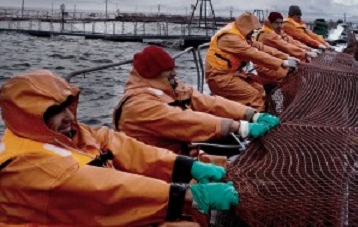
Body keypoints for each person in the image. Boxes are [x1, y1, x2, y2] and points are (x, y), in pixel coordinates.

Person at [0, 70, 238, 226]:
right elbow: (106, 190)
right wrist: (185, 194)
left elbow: (125, 148)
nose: (68, 117)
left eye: (67, 106)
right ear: (28, 118)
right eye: (53, 112)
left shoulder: (69, 134)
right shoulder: (25, 167)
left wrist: (189, 167)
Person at [114, 45, 280, 156]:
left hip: (184, 153)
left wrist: (251, 115)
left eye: (173, 70)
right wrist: (238, 127)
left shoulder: (172, 86)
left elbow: (208, 102)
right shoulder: (137, 106)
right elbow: (183, 121)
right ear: (152, 74)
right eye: (168, 72)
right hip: (156, 168)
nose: (174, 75)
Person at [205, 12, 299, 111]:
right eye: (251, 30)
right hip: (219, 77)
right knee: (252, 96)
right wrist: (282, 63)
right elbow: (253, 53)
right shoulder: (230, 38)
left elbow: (260, 47)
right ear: (245, 27)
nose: (253, 32)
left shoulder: (241, 35)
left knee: (259, 89)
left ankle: (256, 114)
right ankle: (257, 123)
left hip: (234, 73)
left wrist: (286, 57)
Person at [254, 11, 319, 82]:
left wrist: (308, 49)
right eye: (277, 23)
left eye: (281, 23)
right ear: (271, 22)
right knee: (292, 73)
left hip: (275, 61)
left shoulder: (277, 31)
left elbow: (291, 41)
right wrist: (305, 53)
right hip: (266, 66)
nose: (279, 25)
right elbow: (285, 45)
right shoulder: (267, 34)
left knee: (297, 67)